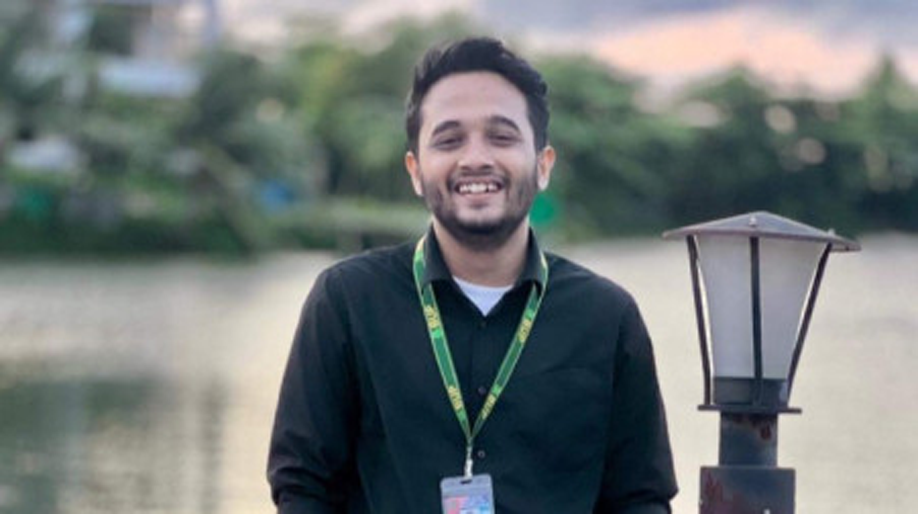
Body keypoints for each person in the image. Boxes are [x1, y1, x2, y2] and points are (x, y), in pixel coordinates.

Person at [267, 36, 677, 513]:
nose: (476, 158)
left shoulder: (606, 317)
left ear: (543, 165)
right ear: (416, 170)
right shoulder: (348, 302)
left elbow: (640, 498)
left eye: (501, 137)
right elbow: (302, 484)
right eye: (449, 140)